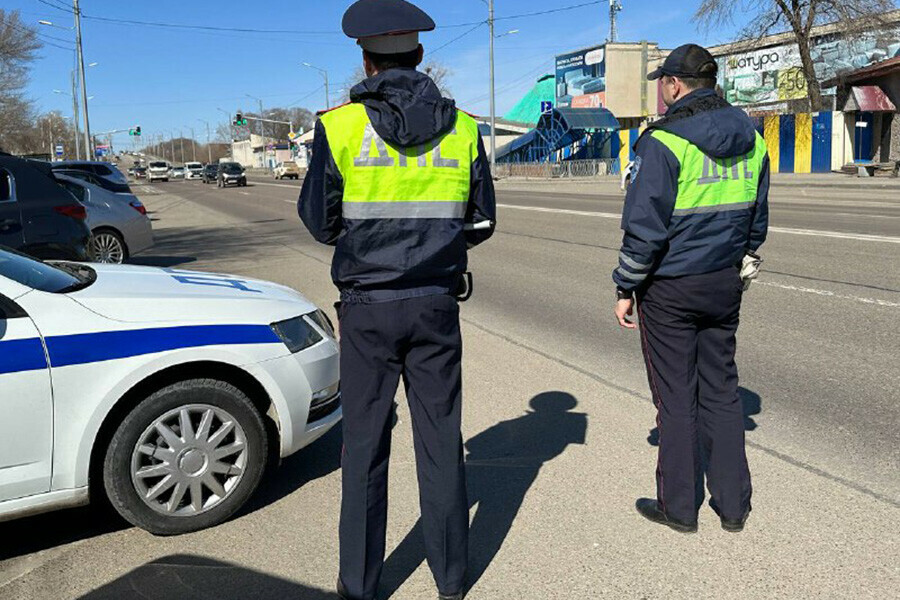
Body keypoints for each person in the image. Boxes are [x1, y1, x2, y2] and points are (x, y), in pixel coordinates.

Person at [298, 1, 496, 598]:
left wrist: (369, 245)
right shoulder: (463, 128)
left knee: (363, 446)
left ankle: (359, 586)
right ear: (418, 56)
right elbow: (481, 223)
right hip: (436, 304)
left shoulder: (338, 127)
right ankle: (452, 580)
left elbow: (319, 221)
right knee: (441, 442)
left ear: (366, 59)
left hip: (366, 309)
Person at [612, 44, 769, 534]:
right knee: (722, 392)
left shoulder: (663, 142)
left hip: (671, 288)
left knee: (676, 397)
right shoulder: (754, 138)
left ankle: (679, 508)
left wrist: (625, 285)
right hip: (724, 282)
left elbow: (645, 227)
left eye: (662, 82)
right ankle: (734, 508)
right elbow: (756, 221)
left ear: (674, 85)